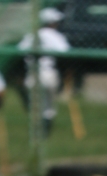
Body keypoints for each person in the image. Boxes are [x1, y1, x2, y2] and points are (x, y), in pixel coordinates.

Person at [19, 7, 70, 136]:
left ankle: (35, 132)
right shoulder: (54, 35)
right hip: (48, 73)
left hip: (32, 74)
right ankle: (45, 133)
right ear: (51, 22)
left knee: (35, 106)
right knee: (48, 106)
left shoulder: (32, 35)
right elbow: (65, 50)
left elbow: (20, 50)